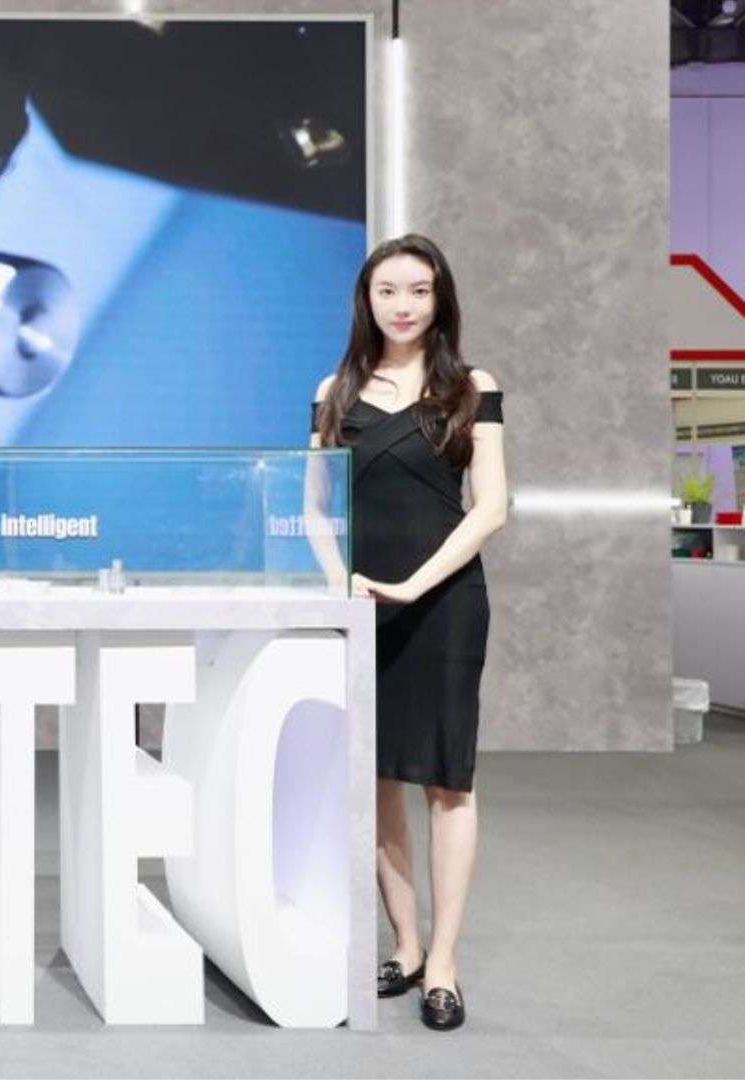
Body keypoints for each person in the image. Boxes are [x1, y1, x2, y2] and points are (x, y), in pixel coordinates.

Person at [310, 234, 507, 1032]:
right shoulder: (335, 390)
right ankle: (406, 944)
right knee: (378, 777)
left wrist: (418, 583)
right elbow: (313, 508)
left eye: (418, 290)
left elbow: (492, 506)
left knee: (448, 781)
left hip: (446, 602)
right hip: (365, 605)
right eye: (387, 290)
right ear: (366, 300)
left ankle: (445, 965)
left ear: (440, 299)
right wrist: (343, 584)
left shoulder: (471, 388)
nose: (402, 304)